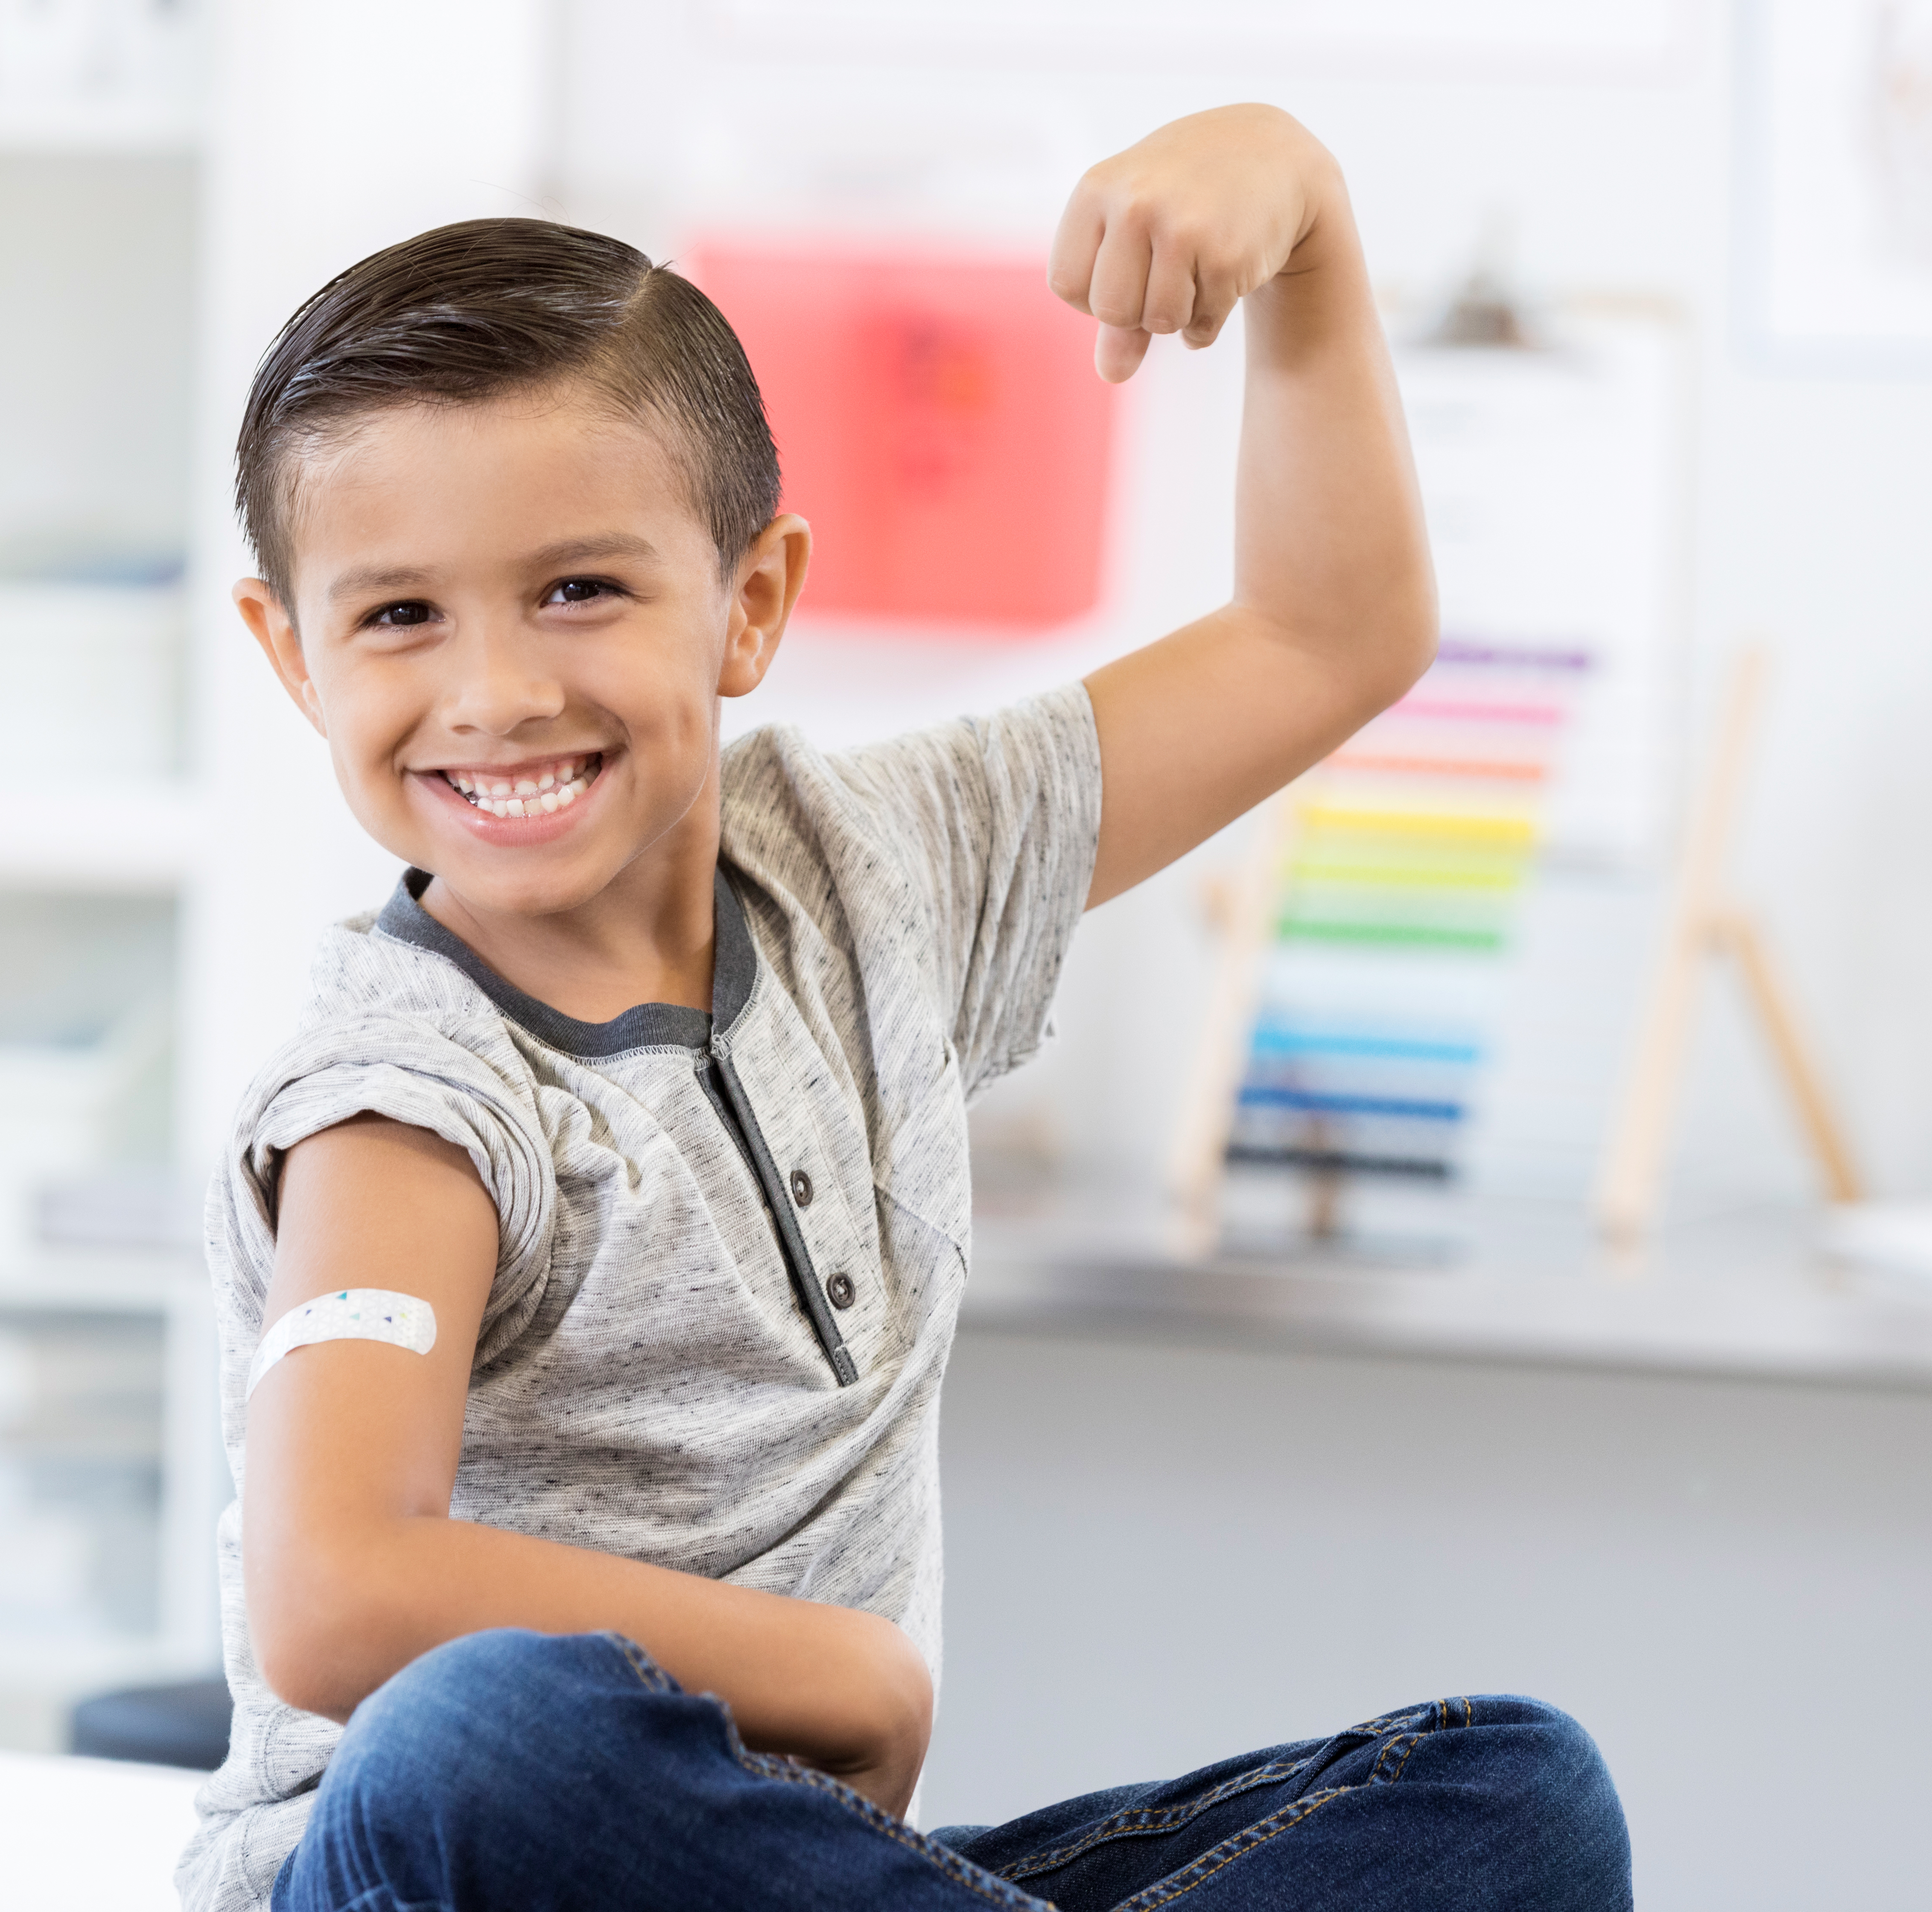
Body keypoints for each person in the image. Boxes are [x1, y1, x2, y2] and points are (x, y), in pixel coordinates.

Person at [181, 102, 1631, 1912]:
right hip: (450, 1870)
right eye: (398, 614)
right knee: (484, 1729)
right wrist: (838, 1669)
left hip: (805, 1879)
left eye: (578, 590)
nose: (493, 689)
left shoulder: (888, 860)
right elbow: (336, 1596)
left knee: (1511, 1797)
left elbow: (1327, 634)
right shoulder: (406, 1096)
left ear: (750, 602)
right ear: (291, 655)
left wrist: (1314, 229)